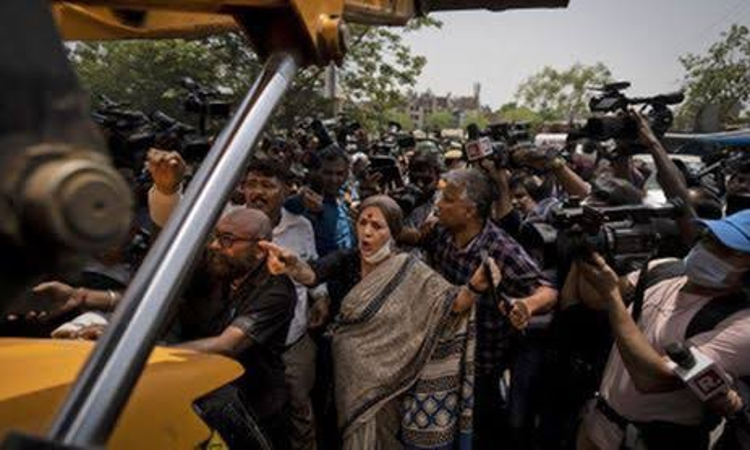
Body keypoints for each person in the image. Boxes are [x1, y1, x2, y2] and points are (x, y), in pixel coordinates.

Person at [33, 208, 297, 448]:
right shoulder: (213, 263)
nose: (215, 245)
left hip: (252, 405)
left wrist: (140, 351)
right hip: (201, 391)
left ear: (260, 249)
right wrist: (82, 296)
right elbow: (157, 297)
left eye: (227, 240)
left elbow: (226, 345)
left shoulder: (276, 290)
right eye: (216, 236)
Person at [261, 195, 500, 449]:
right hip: (346, 379)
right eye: (362, 223)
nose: (366, 232)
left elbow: (453, 303)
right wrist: (293, 264)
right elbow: (312, 274)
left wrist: (476, 285)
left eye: (377, 226)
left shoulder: (411, 270)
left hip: (390, 384)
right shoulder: (347, 259)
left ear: (393, 233)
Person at [148, 153, 324, 450]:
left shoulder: (299, 232)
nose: (257, 192)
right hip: (214, 376)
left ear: (285, 190)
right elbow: (174, 249)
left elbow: (311, 267)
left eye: (267, 185)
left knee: (295, 407)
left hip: (277, 355)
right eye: (251, 184)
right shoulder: (227, 223)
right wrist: (167, 192)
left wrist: (147, 355)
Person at [401, 168, 558, 449]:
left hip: (481, 367)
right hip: (441, 355)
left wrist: (526, 305)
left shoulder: (501, 249)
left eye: (448, 200)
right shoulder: (441, 232)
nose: (439, 205)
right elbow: (415, 239)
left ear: (470, 210)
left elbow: (548, 291)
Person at [572, 209, 750, 450]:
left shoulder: (741, 324)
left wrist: (612, 296)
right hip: (599, 426)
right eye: (709, 239)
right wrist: (585, 249)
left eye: (727, 250)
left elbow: (650, 379)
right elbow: (594, 297)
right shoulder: (663, 269)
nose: (709, 250)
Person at [286, 144, 356, 257]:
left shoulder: (344, 197)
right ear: (317, 172)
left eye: (339, 174)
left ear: (346, 174)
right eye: (328, 173)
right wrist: (301, 201)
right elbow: (289, 206)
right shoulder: (312, 200)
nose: (334, 179)